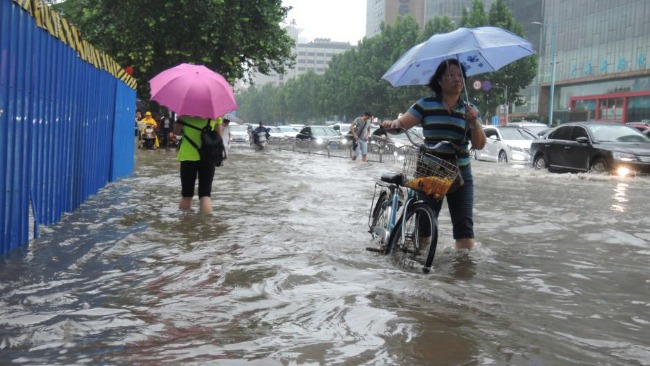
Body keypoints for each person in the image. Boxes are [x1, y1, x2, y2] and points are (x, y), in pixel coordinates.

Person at [380, 59, 486, 251]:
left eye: (460, 75)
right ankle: (420, 263)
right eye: (450, 75)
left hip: (461, 173)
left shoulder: (469, 110)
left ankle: (462, 271)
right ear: (439, 80)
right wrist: (390, 126)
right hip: (430, 169)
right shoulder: (426, 104)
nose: (457, 79)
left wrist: (474, 122)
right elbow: (402, 124)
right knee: (425, 226)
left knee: (465, 230)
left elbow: (479, 144)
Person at [173, 115, 224, 214]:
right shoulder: (215, 115)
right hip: (208, 157)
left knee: (187, 195)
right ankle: (205, 225)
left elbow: (176, 131)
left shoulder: (184, 114)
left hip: (187, 156)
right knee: (205, 195)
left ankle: (184, 224)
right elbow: (219, 137)